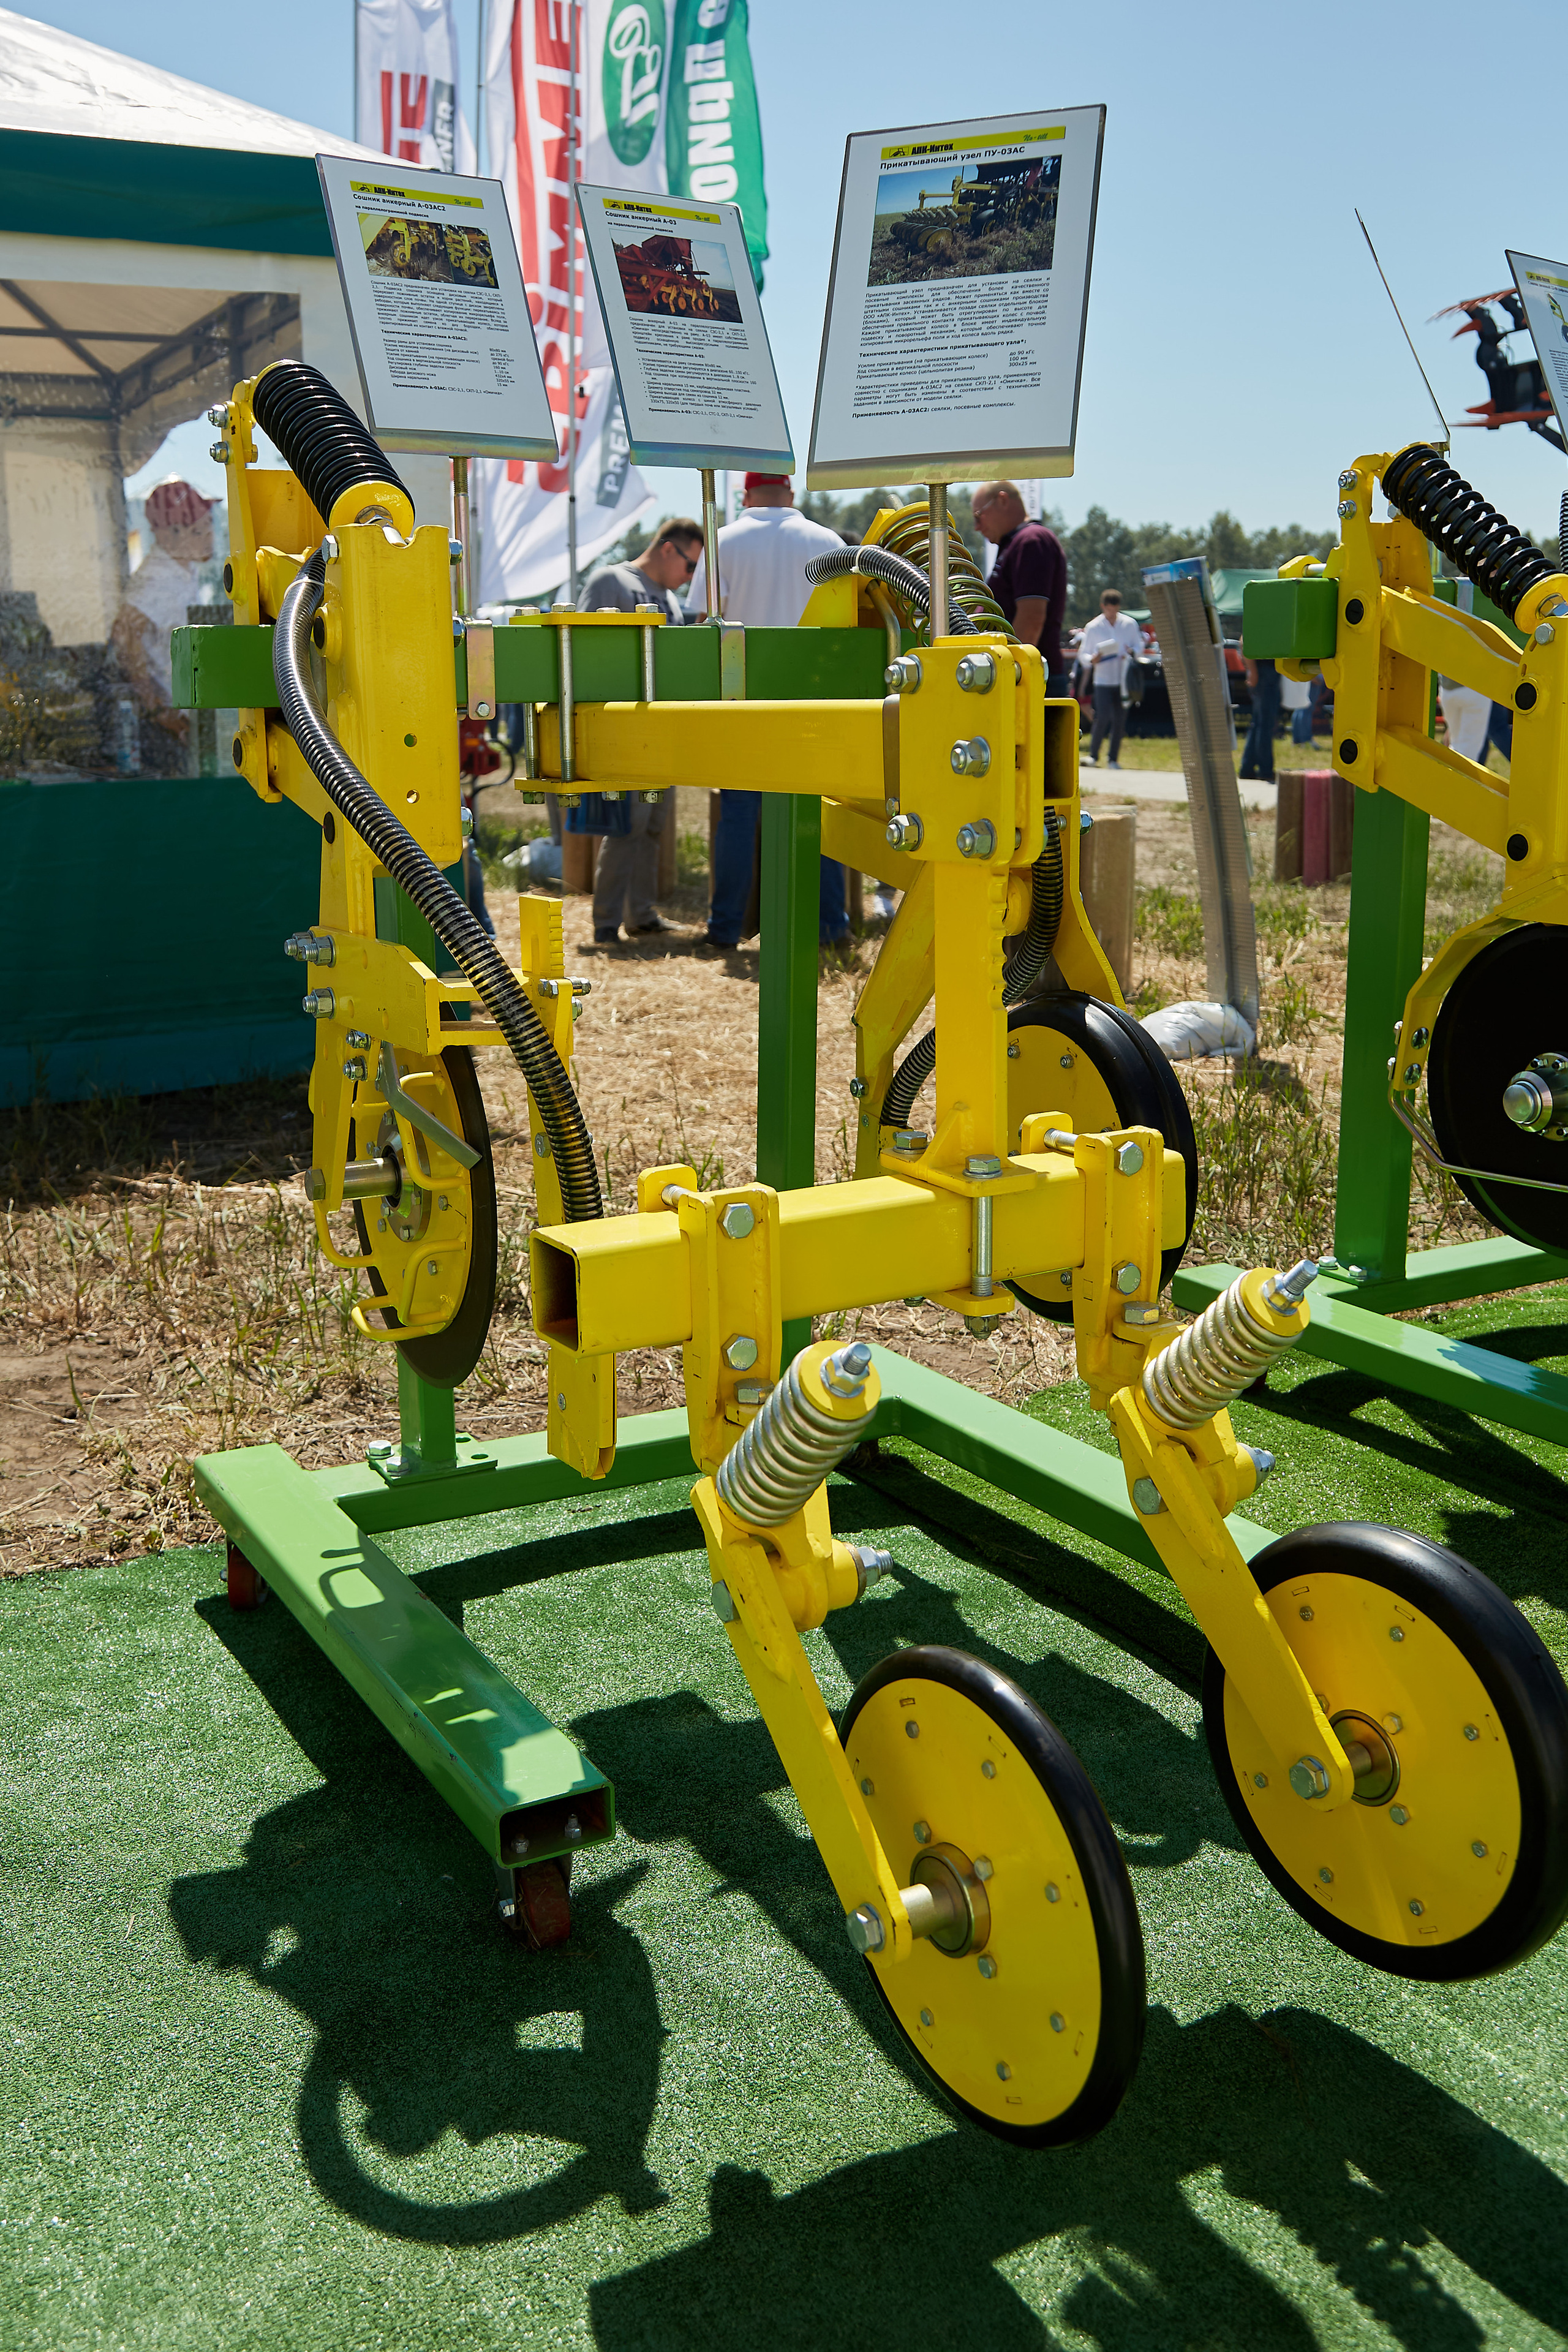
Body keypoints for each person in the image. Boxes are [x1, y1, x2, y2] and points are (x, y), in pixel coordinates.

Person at [687, 475, 850, 948]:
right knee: (817, 814)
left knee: (738, 815)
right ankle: (830, 928)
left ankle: (725, 930)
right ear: (792, 495)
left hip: (746, 700)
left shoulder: (722, 542)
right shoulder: (829, 542)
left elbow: (703, 627)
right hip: (815, 700)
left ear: (745, 495)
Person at [576, 517, 704, 943]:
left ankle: (642, 915)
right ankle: (606, 923)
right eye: (691, 567)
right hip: (622, 726)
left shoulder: (669, 600)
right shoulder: (610, 581)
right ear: (669, 549)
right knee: (626, 826)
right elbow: (580, 648)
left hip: (659, 728)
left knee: (652, 826)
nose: (690, 578)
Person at [111, 479, 217, 755]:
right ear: (169, 535)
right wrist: (157, 708)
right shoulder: (155, 578)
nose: (210, 536)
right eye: (198, 530)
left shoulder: (184, 566)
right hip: (167, 723)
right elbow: (123, 635)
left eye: (209, 525)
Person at [969, 481, 1069, 694]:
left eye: (979, 516)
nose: (977, 527)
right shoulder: (1017, 543)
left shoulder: (1032, 541)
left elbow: (1032, 619)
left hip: (1028, 684)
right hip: (1024, 679)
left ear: (1002, 500)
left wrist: (1009, 677)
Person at [1075, 589, 1143, 769]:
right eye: (1108, 609)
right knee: (1102, 717)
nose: (1112, 613)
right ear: (1103, 607)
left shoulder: (1129, 624)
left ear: (1119, 607)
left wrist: (1132, 652)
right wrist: (1093, 659)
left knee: (1120, 719)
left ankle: (1113, 759)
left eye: (1115, 609)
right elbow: (1084, 655)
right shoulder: (1094, 626)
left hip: (1123, 679)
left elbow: (1139, 646)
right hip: (1103, 680)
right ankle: (1093, 756)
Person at [1239, 655, 1282, 782]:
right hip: (1264, 673)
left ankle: (1247, 769)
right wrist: (1252, 671)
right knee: (1265, 725)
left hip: (1267, 673)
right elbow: (1244, 642)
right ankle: (1265, 770)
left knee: (1258, 723)